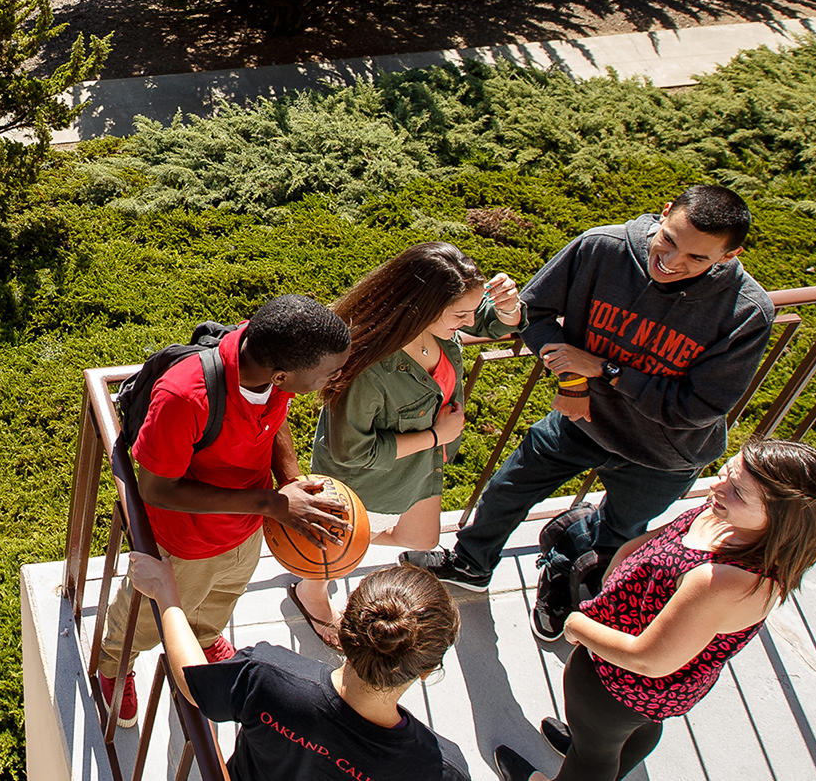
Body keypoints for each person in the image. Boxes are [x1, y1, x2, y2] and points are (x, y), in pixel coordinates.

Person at [405, 185, 774, 596]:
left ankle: (564, 581)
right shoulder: (603, 248)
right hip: (580, 417)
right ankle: (472, 564)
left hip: (665, 453)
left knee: (615, 533)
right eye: (668, 240)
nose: (670, 262)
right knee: (508, 488)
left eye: (695, 258)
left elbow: (697, 409)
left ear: (729, 256)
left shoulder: (745, 312)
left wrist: (603, 368)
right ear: (664, 211)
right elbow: (533, 313)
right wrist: (574, 383)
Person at [496, 438, 816, 781]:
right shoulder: (729, 519)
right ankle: (600, 741)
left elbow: (648, 660)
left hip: (622, 683)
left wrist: (575, 625)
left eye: (738, 491)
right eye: (727, 473)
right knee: (628, 730)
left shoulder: (724, 582)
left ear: (784, 519)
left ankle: (588, 754)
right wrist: (613, 584)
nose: (718, 486)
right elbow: (650, 544)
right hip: (649, 693)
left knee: (592, 758)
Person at [96, 295, 354, 728]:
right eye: (330, 371)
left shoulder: (264, 357)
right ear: (283, 373)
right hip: (186, 545)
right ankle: (114, 666)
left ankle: (206, 637)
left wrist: (287, 479)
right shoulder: (185, 397)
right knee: (146, 617)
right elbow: (156, 488)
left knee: (221, 598)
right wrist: (272, 503)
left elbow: (275, 418)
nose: (338, 375)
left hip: (246, 528)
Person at [296, 243, 523, 645]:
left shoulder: (437, 326)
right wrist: (438, 436)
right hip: (372, 482)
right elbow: (353, 451)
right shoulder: (369, 368)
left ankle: (342, 539)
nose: (471, 322)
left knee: (423, 540)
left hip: (421, 466)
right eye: (461, 315)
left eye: (472, 310)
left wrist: (506, 307)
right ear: (425, 306)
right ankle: (311, 588)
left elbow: (496, 323)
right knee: (342, 556)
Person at [129, 556, 470, 781]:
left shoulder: (267, 676)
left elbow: (193, 684)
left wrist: (166, 594)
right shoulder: (440, 769)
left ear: (345, 626)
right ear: (426, 670)